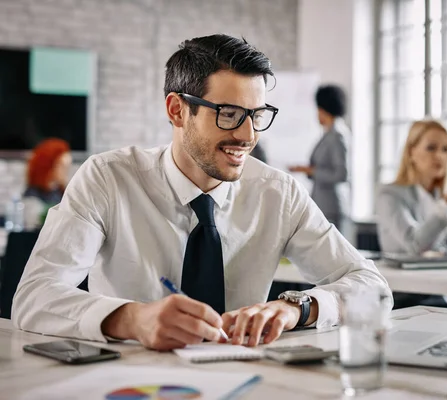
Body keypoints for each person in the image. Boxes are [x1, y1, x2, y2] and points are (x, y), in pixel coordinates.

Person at [13, 34, 391, 351]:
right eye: (228, 113)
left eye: (257, 115)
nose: (248, 136)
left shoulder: (279, 193)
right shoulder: (108, 179)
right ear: (177, 111)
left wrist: (299, 307)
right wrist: (132, 318)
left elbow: (373, 287)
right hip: (129, 382)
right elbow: (34, 297)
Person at [376, 119, 447, 255]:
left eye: (445, 149)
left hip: (443, 275)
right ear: (411, 152)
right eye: (431, 148)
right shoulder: (389, 195)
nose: (439, 156)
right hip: (402, 275)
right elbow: (414, 245)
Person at [288, 85, 350, 232]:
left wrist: (311, 171)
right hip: (322, 204)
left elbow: (341, 174)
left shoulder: (337, 136)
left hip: (331, 207)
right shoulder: (327, 134)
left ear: (324, 109)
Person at [21, 138, 72, 229]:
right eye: (63, 166)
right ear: (49, 166)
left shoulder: (63, 193)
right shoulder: (32, 197)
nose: (66, 172)